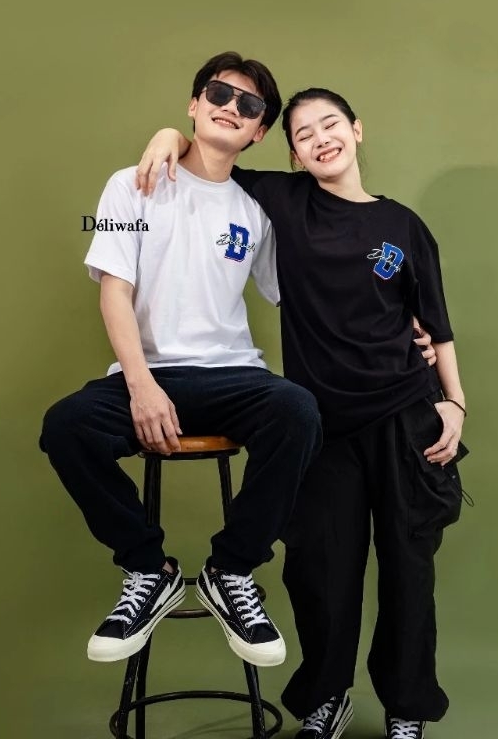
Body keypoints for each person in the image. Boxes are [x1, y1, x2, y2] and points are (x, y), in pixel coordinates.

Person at [136, 86, 469, 739]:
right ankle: (326, 698)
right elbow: (209, 155)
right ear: (292, 155)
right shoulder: (284, 203)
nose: (321, 139)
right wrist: (165, 136)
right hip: (323, 426)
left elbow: (435, 324)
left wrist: (455, 402)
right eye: (305, 134)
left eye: (330, 124)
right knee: (321, 571)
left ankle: (407, 707)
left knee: (408, 570)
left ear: (356, 130)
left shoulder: (403, 226)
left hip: (407, 418)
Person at [39, 52, 324, 670]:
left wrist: (401, 317)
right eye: (219, 93)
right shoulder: (132, 184)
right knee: (66, 426)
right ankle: (149, 569)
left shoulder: (256, 209)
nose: (231, 107)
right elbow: (114, 289)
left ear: (259, 132)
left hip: (233, 375)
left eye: (249, 105)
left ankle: (231, 570)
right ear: (195, 104)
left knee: (297, 411)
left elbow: (300, 293)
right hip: (149, 375)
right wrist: (141, 385)